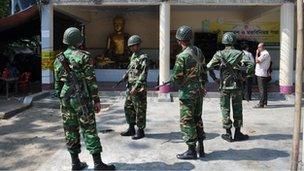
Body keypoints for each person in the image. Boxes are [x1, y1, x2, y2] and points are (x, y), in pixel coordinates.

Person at [53, 27, 115, 170]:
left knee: (70, 130)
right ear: (79, 41)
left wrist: (62, 100)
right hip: (81, 99)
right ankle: (98, 164)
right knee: (89, 129)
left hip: (65, 99)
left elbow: (57, 84)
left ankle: (75, 164)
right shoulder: (84, 56)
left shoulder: (58, 59)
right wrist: (96, 100)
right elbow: (91, 81)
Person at [207, 32, 254, 142]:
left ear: (224, 42)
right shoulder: (240, 54)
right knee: (238, 109)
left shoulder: (219, 54)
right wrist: (246, 77)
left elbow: (208, 67)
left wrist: (215, 79)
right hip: (237, 87)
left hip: (224, 87)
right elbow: (251, 65)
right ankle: (237, 133)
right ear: (234, 41)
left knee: (225, 109)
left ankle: (228, 134)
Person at [170, 25, 207, 159]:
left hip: (187, 94)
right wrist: (202, 85)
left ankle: (191, 150)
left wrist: (176, 81)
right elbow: (204, 71)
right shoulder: (198, 51)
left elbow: (176, 77)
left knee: (186, 120)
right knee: (197, 118)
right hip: (198, 91)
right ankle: (201, 147)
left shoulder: (182, 56)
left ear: (179, 40)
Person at [120, 35, 148, 140]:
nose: (131, 48)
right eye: (130, 46)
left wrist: (136, 87)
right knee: (128, 107)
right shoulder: (133, 56)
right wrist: (126, 75)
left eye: (133, 46)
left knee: (139, 109)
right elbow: (131, 68)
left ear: (138, 45)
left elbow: (143, 74)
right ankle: (131, 128)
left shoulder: (143, 57)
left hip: (138, 88)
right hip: (130, 86)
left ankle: (140, 131)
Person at [254, 43, 271, 108]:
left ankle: (261, 104)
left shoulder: (265, 54)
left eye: (259, 47)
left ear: (263, 47)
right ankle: (264, 102)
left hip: (261, 74)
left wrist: (256, 54)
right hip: (262, 73)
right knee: (264, 89)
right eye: (258, 47)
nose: (258, 49)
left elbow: (257, 61)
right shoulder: (264, 54)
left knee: (262, 90)